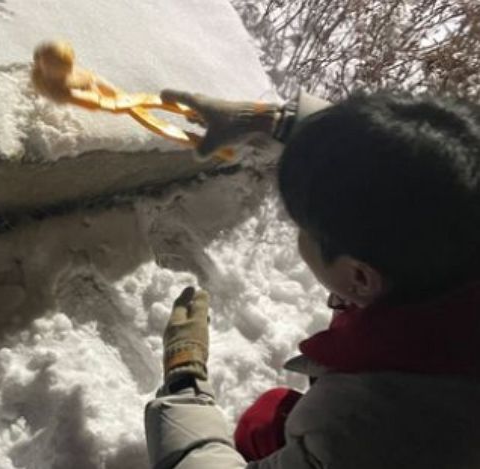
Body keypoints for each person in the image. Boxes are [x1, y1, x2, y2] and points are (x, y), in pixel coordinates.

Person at [144, 89, 480, 469]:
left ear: (360, 276)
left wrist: (183, 381)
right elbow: (413, 169)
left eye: (304, 228)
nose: (299, 233)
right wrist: (274, 121)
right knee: (268, 419)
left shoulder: (371, 430)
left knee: (266, 424)